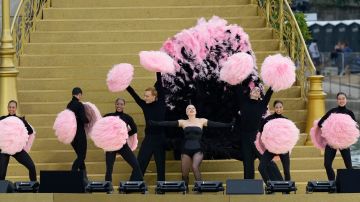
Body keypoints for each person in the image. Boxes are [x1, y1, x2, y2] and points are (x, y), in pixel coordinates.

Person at [149, 104, 232, 190]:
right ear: (186, 112)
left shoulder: (201, 121)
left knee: (194, 166)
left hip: (198, 149)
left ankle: (200, 188)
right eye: (189, 108)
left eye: (193, 108)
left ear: (196, 111)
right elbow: (168, 123)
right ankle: (186, 192)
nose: (191, 109)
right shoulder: (183, 122)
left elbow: (215, 124)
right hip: (186, 150)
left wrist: (228, 125)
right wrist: (156, 123)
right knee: (184, 174)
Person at [235, 84, 283, 180]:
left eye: (258, 90)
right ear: (250, 93)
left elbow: (269, 93)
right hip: (245, 137)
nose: (256, 91)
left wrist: (274, 82)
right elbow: (238, 88)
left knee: (266, 160)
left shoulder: (261, 104)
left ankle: (279, 183)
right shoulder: (243, 102)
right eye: (254, 89)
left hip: (256, 137)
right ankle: (249, 186)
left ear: (259, 95)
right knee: (248, 163)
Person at [126, 72, 166, 181]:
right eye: (145, 96)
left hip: (160, 138)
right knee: (141, 162)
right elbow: (135, 96)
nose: (145, 98)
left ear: (154, 96)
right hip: (148, 138)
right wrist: (126, 84)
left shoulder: (161, 102)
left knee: (160, 165)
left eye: (147, 96)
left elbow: (161, 84)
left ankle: (161, 188)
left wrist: (158, 70)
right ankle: (134, 185)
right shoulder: (144, 105)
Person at [318, 92, 356, 180]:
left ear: (346, 100)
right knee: (327, 164)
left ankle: (351, 184)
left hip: (344, 143)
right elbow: (320, 124)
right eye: (339, 99)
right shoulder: (332, 111)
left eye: (343, 98)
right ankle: (332, 183)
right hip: (332, 142)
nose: (341, 100)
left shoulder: (349, 113)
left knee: (349, 166)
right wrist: (329, 132)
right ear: (337, 100)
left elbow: (354, 129)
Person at [103, 98, 143, 182]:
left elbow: (134, 129)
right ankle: (108, 188)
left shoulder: (127, 117)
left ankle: (141, 185)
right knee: (109, 169)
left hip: (123, 146)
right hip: (111, 146)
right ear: (115, 104)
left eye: (121, 104)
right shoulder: (109, 116)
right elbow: (101, 126)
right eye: (117, 104)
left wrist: (125, 135)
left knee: (136, 165)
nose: (119, 106)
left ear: (124, 106)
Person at [0, 100, 37, 181]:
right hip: (4, 150)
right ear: (7, 108)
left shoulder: (20, 119)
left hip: (17, 149)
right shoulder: (2, 119)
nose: (11, 109)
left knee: (31, 166)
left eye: (13, 107)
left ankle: (35, 187)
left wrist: (24, 123)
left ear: (16, 108)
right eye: (9, 107)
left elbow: (30, 131)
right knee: (1, 174)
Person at [258, 100, 291, 182]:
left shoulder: (286, 120)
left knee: (286, 170)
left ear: (283, 108)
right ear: (274, 108)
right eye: (276, 107)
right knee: (261, 167)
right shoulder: (268, 119)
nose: (278, 109)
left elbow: (290, 135)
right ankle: (269, 185)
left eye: (280, 107)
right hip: (271, 148)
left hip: (283, 148)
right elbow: (261, 131)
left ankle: (287, 190)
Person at [67, 87, 89, 176]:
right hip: (79, 134)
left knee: (80, 157)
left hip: (72, 136)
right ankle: (73, 174)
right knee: (81, 157)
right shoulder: (79, 105)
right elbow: (83, 119)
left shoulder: (68, 105)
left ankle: (84, 179)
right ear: (79, 95)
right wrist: (89, 120)